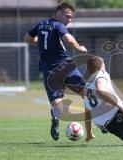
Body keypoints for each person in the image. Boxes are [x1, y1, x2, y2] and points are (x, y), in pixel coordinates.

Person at [24, 3, 87, 141]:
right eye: (67, 16)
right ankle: (102, 121)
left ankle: (55, 117)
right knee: (85, 92)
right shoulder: (59, 26)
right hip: (65, 66)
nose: (69, 19)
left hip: (48, 70)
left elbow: (27, 39)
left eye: (71, 17)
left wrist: (41, 41)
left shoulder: (41, 25)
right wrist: (79, 48)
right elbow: (69, 39)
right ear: (58, 12)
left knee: (57, 102)